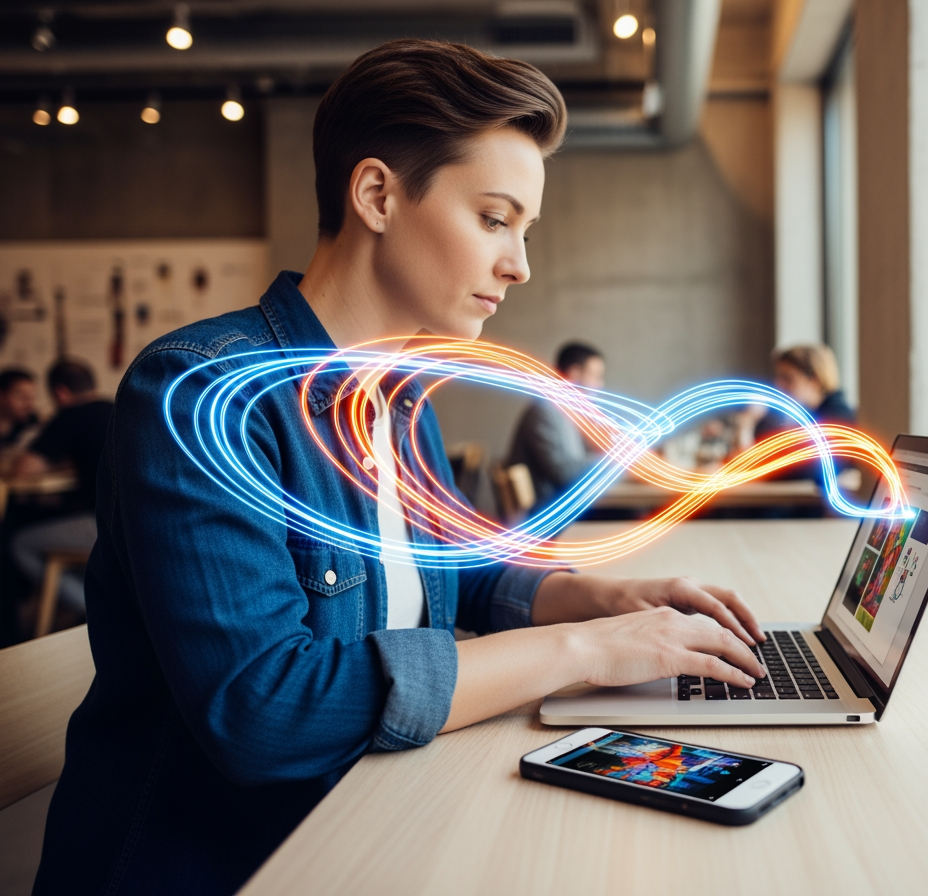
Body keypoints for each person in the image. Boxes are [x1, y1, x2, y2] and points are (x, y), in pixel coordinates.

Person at [35, 40, 765, 896]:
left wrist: (603, 597)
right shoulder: (205, 393)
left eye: (525, 231)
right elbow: (265, 709)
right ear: (377, 194)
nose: (519, 265)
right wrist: (584, 648)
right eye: (495, 219)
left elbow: (461, 572)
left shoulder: (397, 400)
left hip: (372, 827)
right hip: (234, 868)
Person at [9, 358, 113, 615]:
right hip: (142, 522)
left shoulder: (71, 414)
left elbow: (23, 472)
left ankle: (98, 611)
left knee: (19, 543)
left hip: (102, 525)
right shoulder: (117, 406)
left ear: (60, 392)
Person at [506, 341, 605, 511]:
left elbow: (575, 462)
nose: (600, 384)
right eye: (595, 376)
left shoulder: (565, 412)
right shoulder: (545, 412)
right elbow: (564, 474)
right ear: (574, 373)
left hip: (566, 507)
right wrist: (615, 459)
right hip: (552, 514)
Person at [737, 344, 857, 480]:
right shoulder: (808, 417)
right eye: (778, 378)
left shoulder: (838, 418)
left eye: (788, 378)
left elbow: (800, 469)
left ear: (815, 379)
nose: (779, 386)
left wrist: (748, 422)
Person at [0, 367, 38, 464]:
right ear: (2, 396)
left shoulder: (32, 421)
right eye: (21, 397)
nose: (29, 404)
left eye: (31, 398)